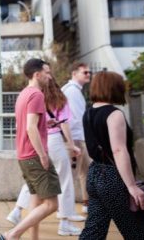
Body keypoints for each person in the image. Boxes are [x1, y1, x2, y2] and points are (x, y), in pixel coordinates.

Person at [79, 71, 144, 239]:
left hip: (95, 174)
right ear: (114, 88)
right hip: (114, 178)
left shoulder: (88, 113)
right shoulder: (114, 114)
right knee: (139, 234)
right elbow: (118, 150)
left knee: (93, 231)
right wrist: (132, 186)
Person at [6, 78, 84, 236]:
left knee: (34, 193)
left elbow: (26, 124)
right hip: (47, 143)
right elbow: (62, 124)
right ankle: (64, 222)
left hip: (30, 148)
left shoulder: (26, 95)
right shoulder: (48, 97)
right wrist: (69, 144)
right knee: (62, 185)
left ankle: (17, 211)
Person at [0, 58, 60, 240]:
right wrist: (42, 155)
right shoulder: (37, 95)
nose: (50, 77)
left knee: (36, 201)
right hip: (34, 155)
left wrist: (45, 123)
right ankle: (12, 235)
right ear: (37, 74)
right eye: (47, 73)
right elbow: (30, 127)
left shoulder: (24, 94)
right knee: (51, 204)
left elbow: (27, 123)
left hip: (24, 155)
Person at [61, 62, 92, 213]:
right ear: (74, 74)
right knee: (71, 175)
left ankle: (86, 203)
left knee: (86, 170)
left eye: (89, 72)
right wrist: (73, 143)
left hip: (77, 138)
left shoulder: (73, 90)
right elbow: (76, 119)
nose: (88, 74)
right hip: (75, 139)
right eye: (85, 72)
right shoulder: (72, 91)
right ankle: (66, 210)